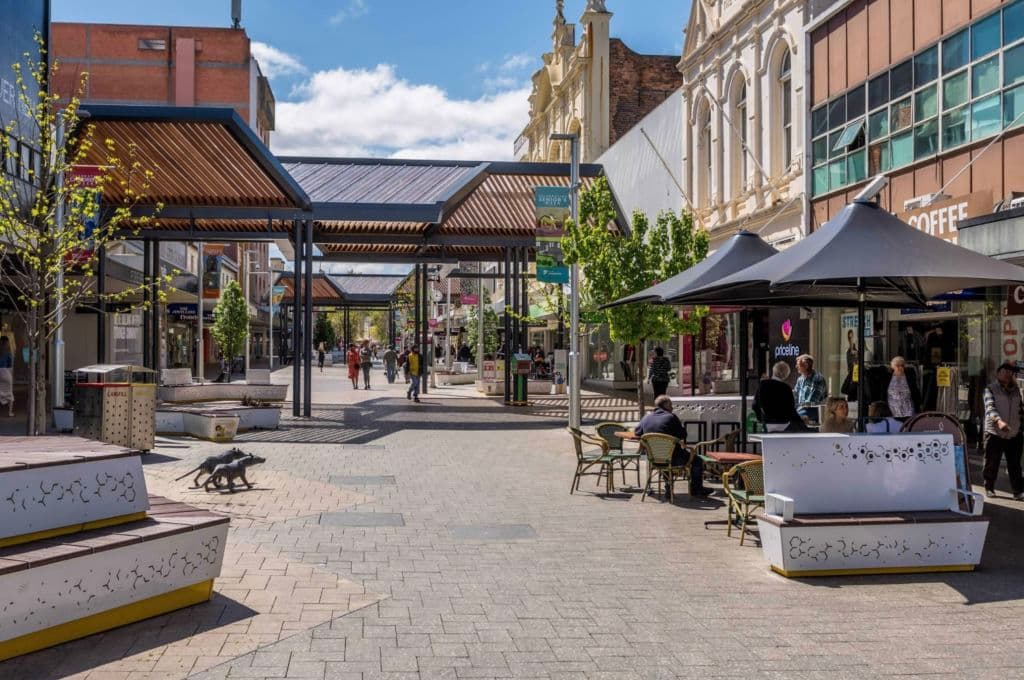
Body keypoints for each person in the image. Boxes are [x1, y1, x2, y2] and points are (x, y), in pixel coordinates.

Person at [633, 395, 712, 497]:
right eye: (671, 405)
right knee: (697, 460)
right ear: (666, 405)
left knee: (667, 457)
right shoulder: (671, 417)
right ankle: (696, 490)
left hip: (654, 459)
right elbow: (683, 435)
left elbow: (637, 433)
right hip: (674, 458)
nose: (672, 407)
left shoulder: (646, 417)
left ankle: (668, 488)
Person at [982, 363, 1024, 499]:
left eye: (1011, 372)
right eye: (1005, 371)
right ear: (998, 373)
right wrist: (999, 422)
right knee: (991, 462)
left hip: (1013, 432)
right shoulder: (990, 389)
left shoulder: (1016, 390)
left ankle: (1017, 491)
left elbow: (1020, 410)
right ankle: (989, 487)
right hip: (995, 432)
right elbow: (990, 408)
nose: (1008, 374)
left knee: (1015, 464)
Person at [753, 361, 806, 432]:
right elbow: (791, 409)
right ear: (786, 375)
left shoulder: (763, 385)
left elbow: (755, 405)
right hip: (784, 423)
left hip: (768, 422)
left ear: (774, 370)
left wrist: (761, 418)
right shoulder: (786, 388)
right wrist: (801, 420)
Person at [883, 355, 921, 420]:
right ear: (893, 366)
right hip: (892, 410)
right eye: (898, 365)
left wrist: (919, 404)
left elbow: (915, 391)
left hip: (908, 410)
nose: (900, 367)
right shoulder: (887, 376)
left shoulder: (909, 375)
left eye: (902, 365)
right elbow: (883, 392)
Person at [794, 354, 827, 421]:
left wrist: (797, 409)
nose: (796, 366)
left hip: (812, 410)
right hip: (801, 408)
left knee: (795, 419)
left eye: (798, 364)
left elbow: (812, 401)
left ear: (806, 366)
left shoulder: (817, 379)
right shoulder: (800, 379)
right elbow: (795, 395)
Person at [0, 336, 13, 416]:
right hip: (5, 372)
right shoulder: (8, 352)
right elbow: (10, 364)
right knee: (9, 392)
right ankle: (10, 412)